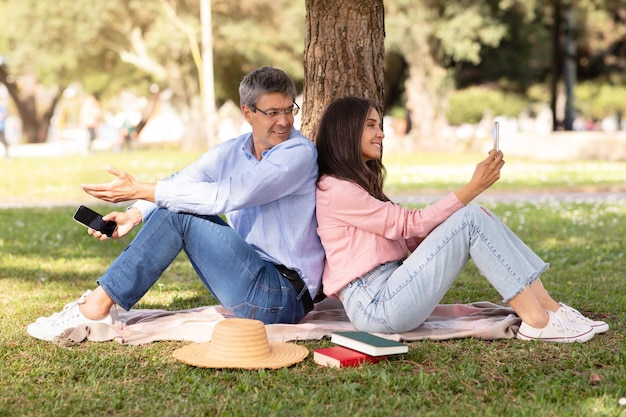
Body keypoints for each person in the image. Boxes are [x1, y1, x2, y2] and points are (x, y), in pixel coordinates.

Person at [27, 67, 325, 341]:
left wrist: (143, 189)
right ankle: (97, 305)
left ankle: (94, 308)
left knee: (181, 215)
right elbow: (184, 180)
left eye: (289, 110)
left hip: (283, 297)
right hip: (250, 278)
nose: (284, 121)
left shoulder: (297, 154)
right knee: (176, 207)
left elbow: (226, 196)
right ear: (248, 113)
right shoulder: (232, 152)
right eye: (273, 112)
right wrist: (134, 212)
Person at [314, 96, 608, 343]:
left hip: (388, 291)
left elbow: (412, 237)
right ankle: (537, 322)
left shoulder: (354, 186)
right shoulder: (335, 189)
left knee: (475, 217)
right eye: (371, 126)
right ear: (346, 132)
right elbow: (408, 225)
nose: (381, 133)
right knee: (470, 218)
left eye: (379, 125)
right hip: (377, 305)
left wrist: (458, 222)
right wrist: (472, 189)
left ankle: (550, 309)